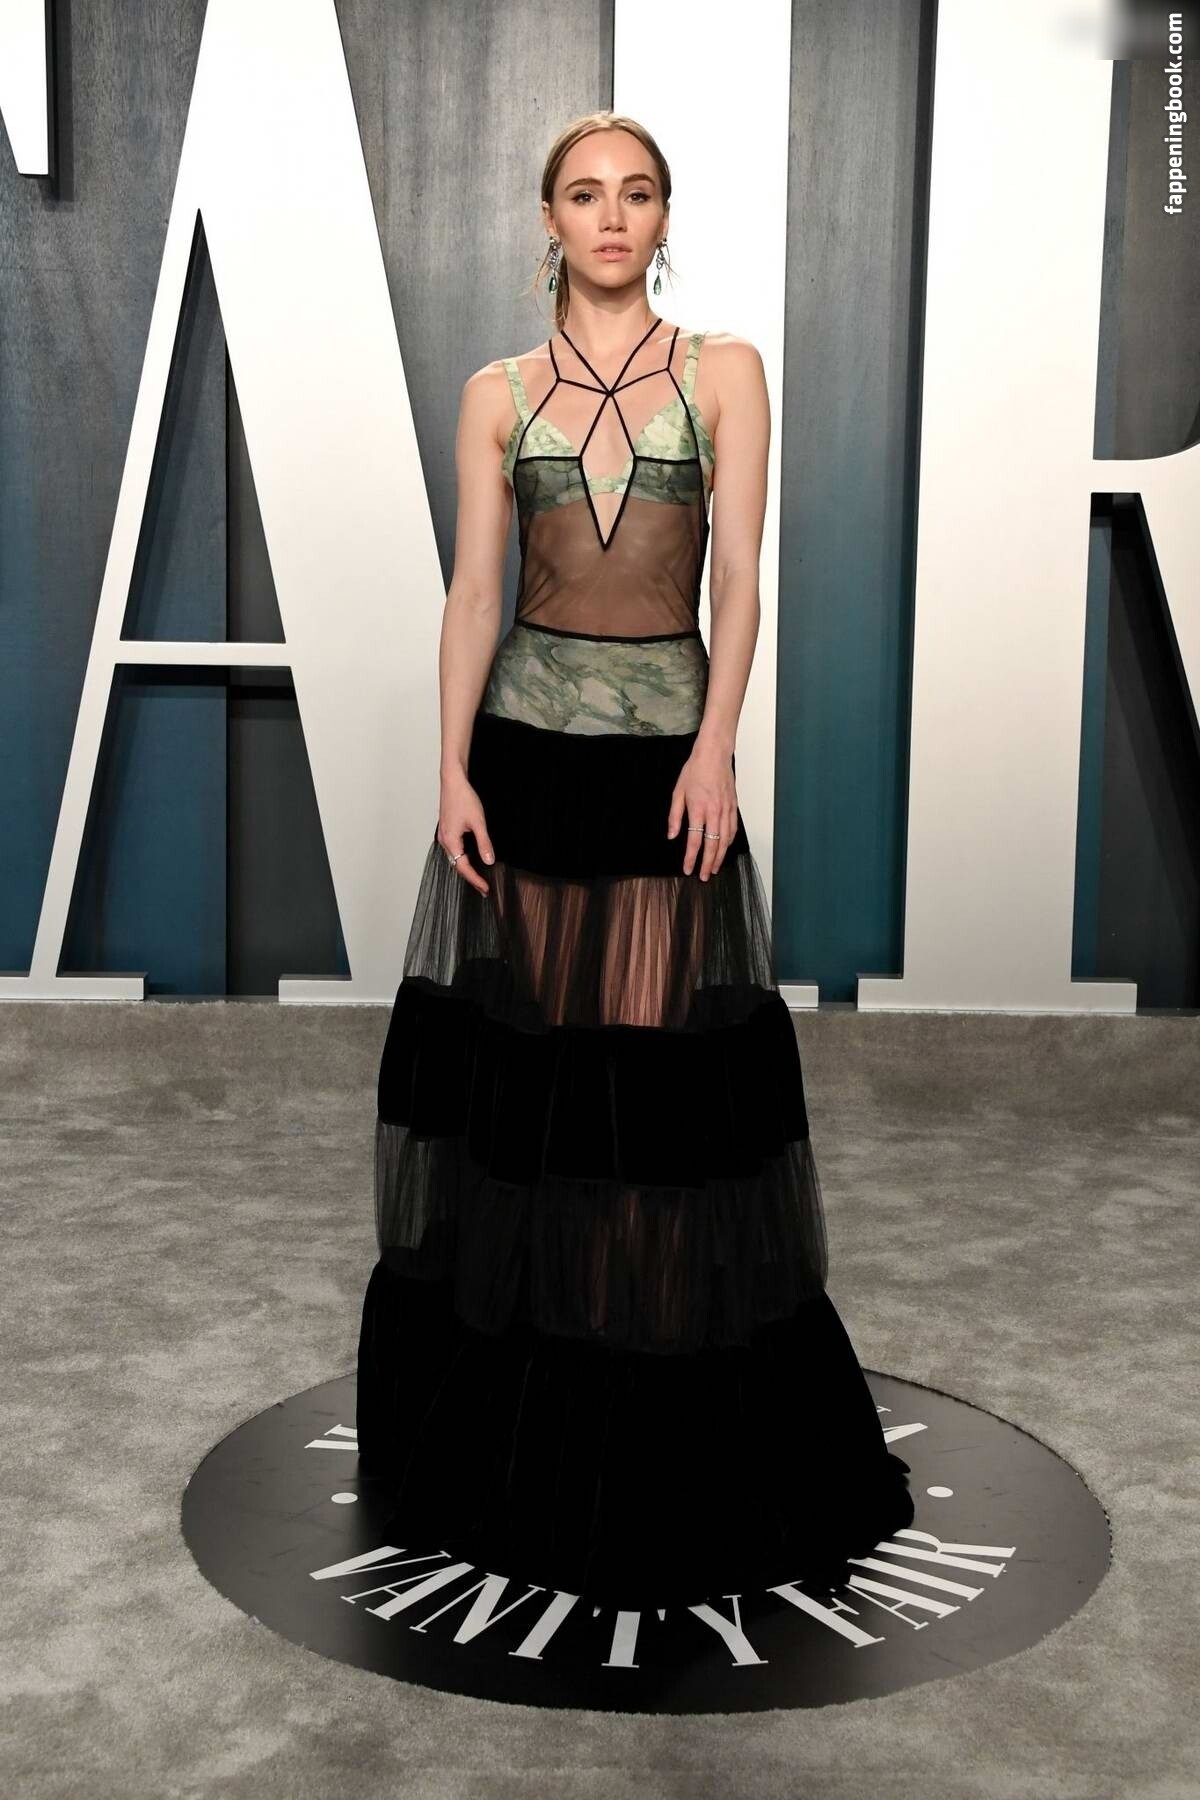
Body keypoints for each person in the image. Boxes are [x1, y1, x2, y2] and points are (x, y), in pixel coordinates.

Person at [356, 111, 914, 1606]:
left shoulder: (724, 372)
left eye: (639, 193)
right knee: (539, 1095)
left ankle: (655, 1450)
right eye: (587, 194)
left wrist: (717, 745)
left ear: (665, 219)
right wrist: (451, 767)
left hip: (669, 771)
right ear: (546, 219)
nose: (614, 216)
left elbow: (737, 582)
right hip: (528, 770)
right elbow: (477, 592)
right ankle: (535, 1440)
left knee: (655, 1101)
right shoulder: (496, 394)